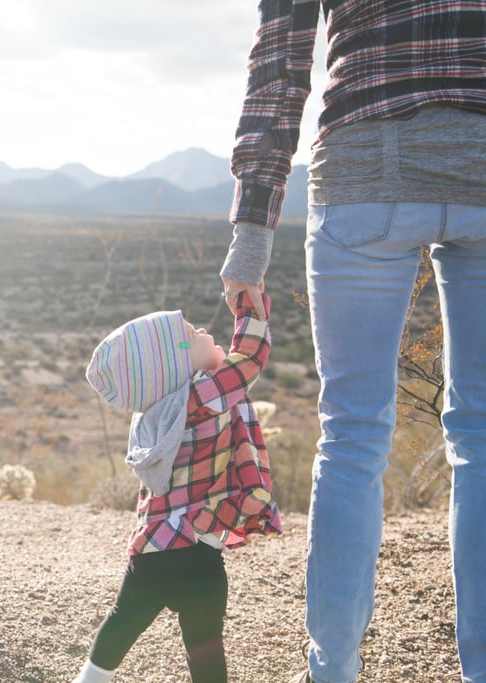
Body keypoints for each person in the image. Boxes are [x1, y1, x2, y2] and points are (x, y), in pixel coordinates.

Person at [221, 3, 486, 682]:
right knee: (484, 440)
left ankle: (330, 670)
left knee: (352, 436)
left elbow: (280, 63)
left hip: (366, 163)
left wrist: (251, 236)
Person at [74, 293, 282, 683]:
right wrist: (247, 305)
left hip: (153, 550)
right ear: (175, 363)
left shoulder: (152, 413)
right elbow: (250, 357)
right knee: (205, 644)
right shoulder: (201, 396)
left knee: (122, 624)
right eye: (191, 333)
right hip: (199, 554)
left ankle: (89, 679)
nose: (202, 330)